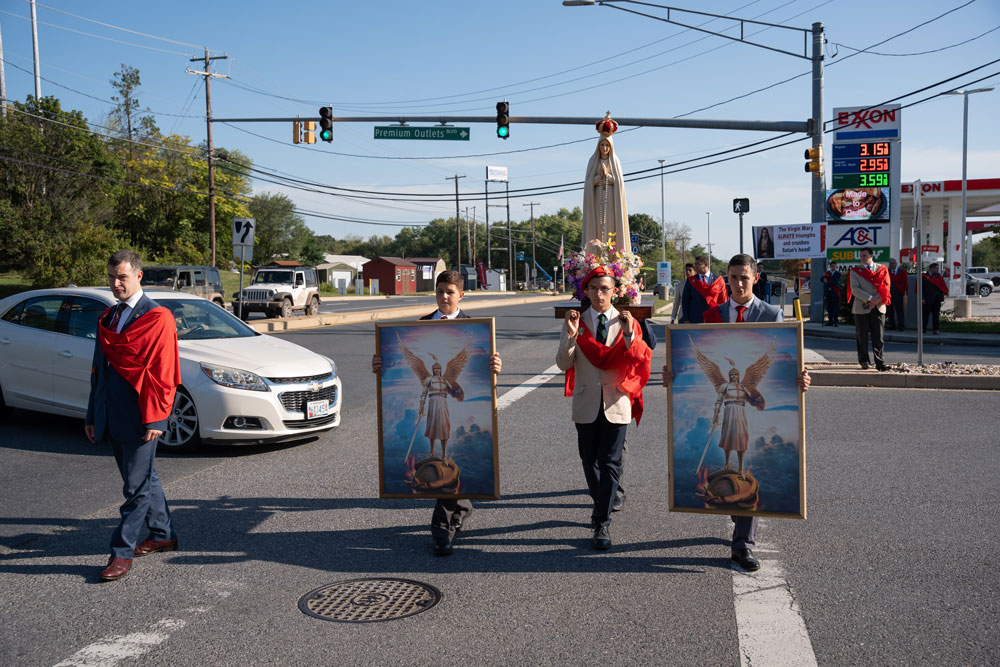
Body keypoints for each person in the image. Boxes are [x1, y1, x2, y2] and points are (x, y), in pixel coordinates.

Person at [662, 254, 810, 572]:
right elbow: (694, 362)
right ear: (726, 278)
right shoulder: (711, 315)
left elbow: (785, 359)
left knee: (748, 462)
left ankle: (743, 544)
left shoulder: (771, 314)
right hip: (725, 409)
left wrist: (801, 377)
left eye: (744, 277)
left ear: (755, 278)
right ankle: (735, 512)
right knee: (726, 456)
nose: (739, 283)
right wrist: (674, 376)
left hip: (754, 407)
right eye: (733, 277)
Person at [371, 270, 502, 556]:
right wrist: (382, 364)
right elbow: (398, 363)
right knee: (436, 443)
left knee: (447, 453)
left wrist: (494, 366)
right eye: (440, 291)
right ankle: (461, 507)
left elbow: (475, 373)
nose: (444, 296)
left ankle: (442, 531)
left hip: (449, 405)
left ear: (461, 295)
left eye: (450, 292)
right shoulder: (417, 328)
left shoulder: (478, 329)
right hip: (431, 405)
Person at [85, 250, 181, 582]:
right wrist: (91, 414)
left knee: (135, 489)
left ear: (138, 276)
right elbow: (99, 371)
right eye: (111, 277)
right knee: (142, 480)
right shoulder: (109, 317)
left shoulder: (158, 317)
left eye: (122, 277)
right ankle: (162, 534)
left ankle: (121, 553)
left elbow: (164, 373)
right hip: (112, 414)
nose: (115, 283)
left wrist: (157, 419)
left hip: (143, 416)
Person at [557, 266, 651, 551]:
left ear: (614, 292)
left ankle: (602, 522)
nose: (599, 294)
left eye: (605, 289)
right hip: (586, 402)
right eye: (594, 288)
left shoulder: (627, 322)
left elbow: (638, 359)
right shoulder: (576, 321)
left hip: (617, 400)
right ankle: (602, 503)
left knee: (611, 463)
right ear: (586, 291)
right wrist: (572, 336)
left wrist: (627, 334)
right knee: (589, 461)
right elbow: (563, 364)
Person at [582, 120, 629, 255]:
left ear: (611, 147)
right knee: (596, 228)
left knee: (611, 229)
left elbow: (619, 182)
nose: (604, 148)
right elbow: (588, 183)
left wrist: (607, 176)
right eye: (602, 144)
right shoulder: (593, 161)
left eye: (607, 145)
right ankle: (594, 256)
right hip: (596, 200)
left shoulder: (615, 161)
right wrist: (598, 178)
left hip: (611, 203)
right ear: (598, 146)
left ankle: (613, 258)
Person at [847, 248, 890, 371]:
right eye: (860, 256)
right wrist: (871, 298)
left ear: (872, 255)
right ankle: (864, 360)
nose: (862, 258)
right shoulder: (855, 271)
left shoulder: (882, 269)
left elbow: (886, 286)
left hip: (879, 306)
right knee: (862, 336)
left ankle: (880, 363)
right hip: (861, 308)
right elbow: (855, 289)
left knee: (879, 337)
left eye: (865, 255)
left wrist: (877, 300)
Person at [680, 256, 727, 324]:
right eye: (694, 264)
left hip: (714, 318)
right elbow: (685, 301)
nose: (694, 266)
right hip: (695, 319)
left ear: (705, 265)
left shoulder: (718, 280)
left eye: (697, 264)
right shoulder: (691, 281)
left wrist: (724, 317)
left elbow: (723, 300)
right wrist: (686, 318)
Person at [922, 263, 948, 334]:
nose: (937, 270)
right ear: (931, 268)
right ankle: (923, 329)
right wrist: (922, 298)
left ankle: (936, 329)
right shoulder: (924, 276)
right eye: (936, 268)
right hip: (927, 299)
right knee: (925, 315)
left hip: (936, 299)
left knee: (936, 315)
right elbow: (921, 289)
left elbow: (942, 286)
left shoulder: (938, 276)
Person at [887, 259, 908, 331]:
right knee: (890, 310)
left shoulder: (902, 271)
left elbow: (905, 282)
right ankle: (892, 325)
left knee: (899, 310)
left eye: (893, 263)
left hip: (898, 293)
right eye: (891, 264)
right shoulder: (887, 272)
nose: (892, 265)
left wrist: (905, 292)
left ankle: (901, 325)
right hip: (889, 294)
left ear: (896, 264)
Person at [821, 262, 842, 326]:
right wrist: (823, 276)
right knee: (829, 307)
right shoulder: (827, 273)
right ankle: (830, 321)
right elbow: (821, 280)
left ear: (836, 267)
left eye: (834, 266)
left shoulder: (838, 273)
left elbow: (835, 282)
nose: (833, 267)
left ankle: (835, 321)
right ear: (830, 267)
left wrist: (827, 282)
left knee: (835, 308)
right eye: (832, 266)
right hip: (828, 292)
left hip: (834, 292)